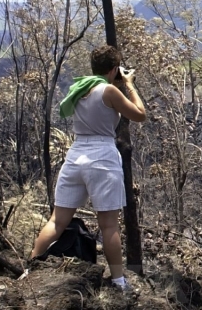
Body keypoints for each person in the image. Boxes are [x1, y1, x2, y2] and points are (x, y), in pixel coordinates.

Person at [31, 45, 146, 290]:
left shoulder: (79, 88)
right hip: (102, 157)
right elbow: (139, 114)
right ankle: (118, 281)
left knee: (57, 221)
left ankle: (31, 267)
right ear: (114, 68)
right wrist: (130, 84)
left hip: (75, 155)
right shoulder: (108, 91)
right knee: (109, 225)